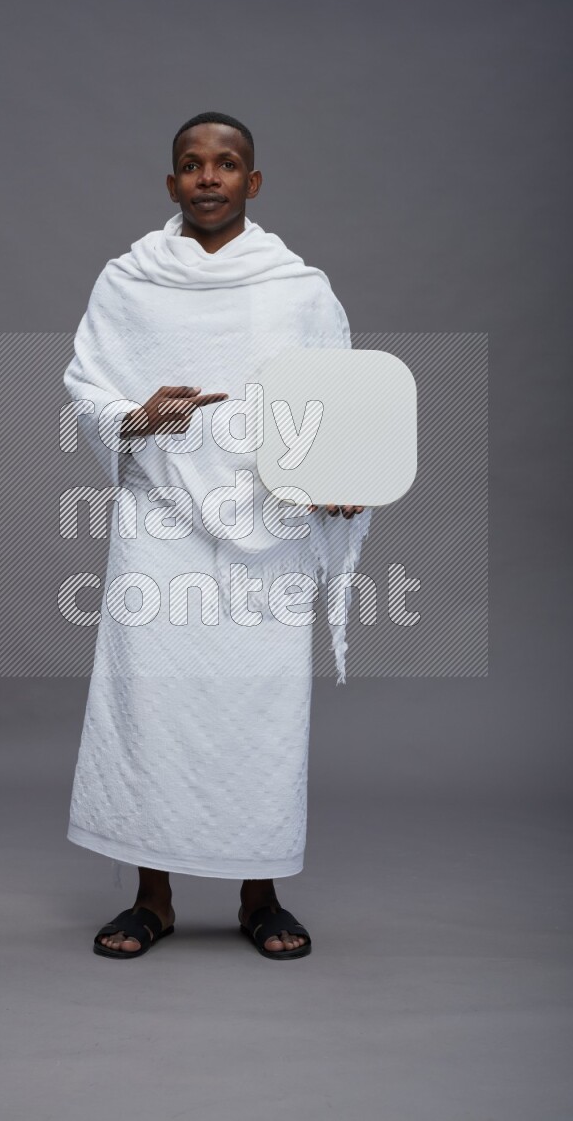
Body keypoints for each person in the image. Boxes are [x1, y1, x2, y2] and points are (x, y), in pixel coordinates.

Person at [63, 112, 371, 960]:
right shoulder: (128, 282)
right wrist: (137, 415)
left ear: (253, 182)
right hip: (159, 524)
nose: (208, 177)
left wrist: (342, 475)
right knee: (150, 706)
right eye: (192, 165)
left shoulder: (297, 288)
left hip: (267, 529)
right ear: (171, 184)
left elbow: (336, 393)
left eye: (226, 164)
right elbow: (87, 386)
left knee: (258, 709)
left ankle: (260, 893)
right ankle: (150, 897)